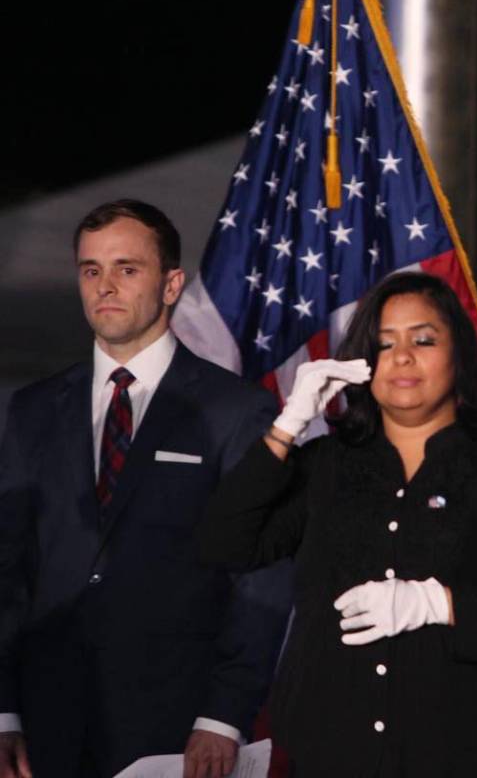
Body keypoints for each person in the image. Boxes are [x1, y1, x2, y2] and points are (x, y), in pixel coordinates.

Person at [197, 271, 477, 778]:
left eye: (424, 340)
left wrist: (439, 604)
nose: (402, 357)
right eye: (384, 343)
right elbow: (223, 543)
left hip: (468, 754)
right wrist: (287, 426)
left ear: (459, 355)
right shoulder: (325, 465)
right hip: (332, 755)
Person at [0, 199, 291, 778]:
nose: (105, 286)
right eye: (91, 270)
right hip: (45, 725)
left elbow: (261, 578)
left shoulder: (236, 411)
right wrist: (4, 711)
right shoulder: (32, 410)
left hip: (177, 727)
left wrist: (222, 717)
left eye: (127, 269)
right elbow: (8, 568)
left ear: (171, 284)